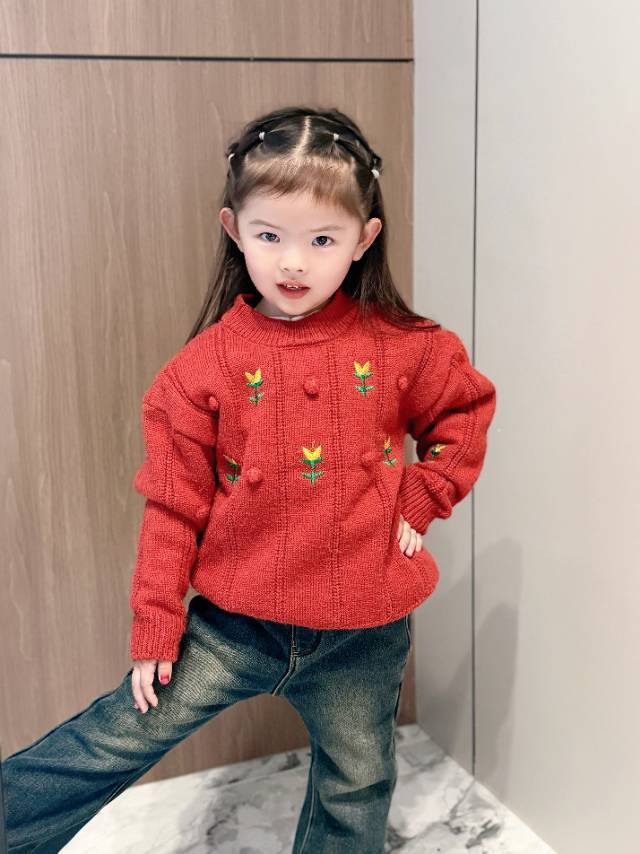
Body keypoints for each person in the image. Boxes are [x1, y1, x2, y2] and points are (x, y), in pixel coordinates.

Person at [1, 106, 497, 853]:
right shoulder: (200, 370)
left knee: (357, 784)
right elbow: (173, 506)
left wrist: (426, 492)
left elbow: (465, 410)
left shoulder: (406, 349)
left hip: (365, 630)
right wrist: (155, 621)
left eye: (322, 240)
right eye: (270, 236)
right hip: (233, 627)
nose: (293, 263)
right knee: (115, 738)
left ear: (364, 240)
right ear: (234, 229)